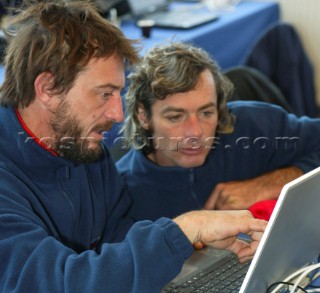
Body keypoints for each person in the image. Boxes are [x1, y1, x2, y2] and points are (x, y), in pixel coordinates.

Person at [0, 1, 268, 292]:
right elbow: (58, 283)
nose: (117, 114)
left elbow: (115, 234)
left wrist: (191, 242)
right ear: (48, 89)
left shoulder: (80, 144)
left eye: (118, 93)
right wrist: (181, 232)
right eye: (104, 94)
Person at [116, 41, 320, 222]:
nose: (195, 132)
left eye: (206, 113)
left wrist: (264, 186)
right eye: (175, 117)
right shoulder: (121, 195)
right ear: (143, 116)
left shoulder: (253, 128)